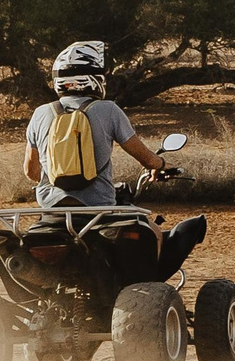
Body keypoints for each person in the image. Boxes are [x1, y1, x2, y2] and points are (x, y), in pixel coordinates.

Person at [23, 41, 203, 273]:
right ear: (94, 79)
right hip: (97, 207)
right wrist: (161, 165)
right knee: (154, 232)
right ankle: (148, 292)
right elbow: (145, 158)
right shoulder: (107, 110)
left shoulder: (40, 113)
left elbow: (30, 172)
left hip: (51, 210)